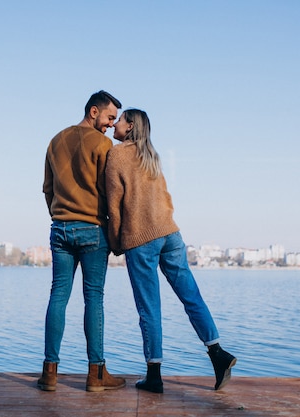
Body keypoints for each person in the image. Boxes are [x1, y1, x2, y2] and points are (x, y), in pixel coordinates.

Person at [105, 108, 237, 393]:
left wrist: (115, 244)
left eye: (121, 120)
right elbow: (165, 197)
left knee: (149, 307)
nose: (115, 124)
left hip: (140, 239)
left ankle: (154, 376)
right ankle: (217, 353)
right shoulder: (151, 155)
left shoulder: (116, 155)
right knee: (191, 296)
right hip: (170, 234)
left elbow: (114, 206)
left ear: (130, 127)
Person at [39, 90, 126, 392]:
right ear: (93, 112)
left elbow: (47, 189)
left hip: (60, 229)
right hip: (92, 230)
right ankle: (96, 375)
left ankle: (49, 373)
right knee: (94, 299)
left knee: (58, 297)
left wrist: (59, 213)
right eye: (109, 118)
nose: (111, 126)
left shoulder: (55, 141)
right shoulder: (103, 145)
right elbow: (111, 192)